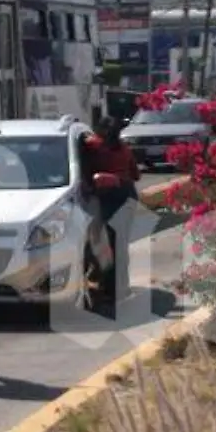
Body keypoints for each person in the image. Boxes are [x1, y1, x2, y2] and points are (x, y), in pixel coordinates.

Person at [80, 116, 140, 303]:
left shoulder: (94, 148)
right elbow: (136, 175)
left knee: (104, 244)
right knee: (118, 245)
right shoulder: (124, 149)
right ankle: (118, 287)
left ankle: (110, 287)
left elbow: (85, 147)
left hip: (109, 199)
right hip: (127, 197)